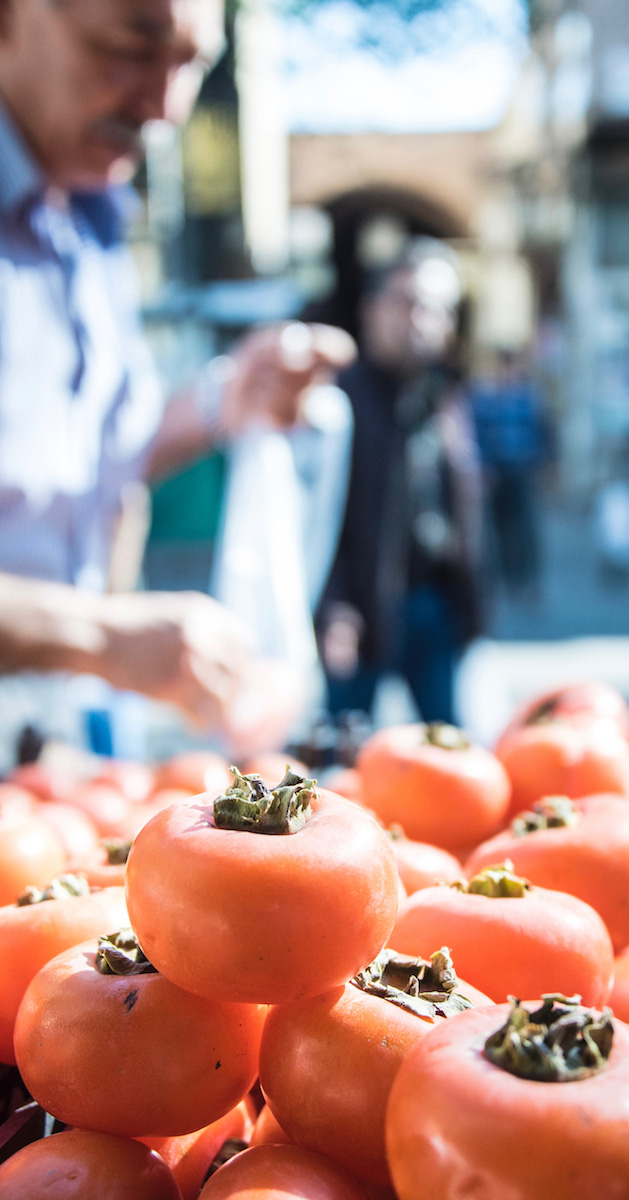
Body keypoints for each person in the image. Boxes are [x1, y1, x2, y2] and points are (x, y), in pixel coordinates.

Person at [0, 0, 355, 747]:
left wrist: (227, 399)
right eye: (131, 46)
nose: (165, 107)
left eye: (191, 64)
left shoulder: (87, 222)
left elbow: (93, 461)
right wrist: (91, 637)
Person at [318, 247, 483, 726]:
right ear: (372, 309)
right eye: (408, 301)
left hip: (433, 606)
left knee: (445, 756)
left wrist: (471, 605)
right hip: (359, 609)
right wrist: (332, 609)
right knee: (344, 758)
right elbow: (315, 514)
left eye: (437, 308)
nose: (423, 319)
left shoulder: (446, 396)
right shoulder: (335, 400)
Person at [469, 348, 553, 598]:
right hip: (497, 469)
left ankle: (528, 579)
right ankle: (505, 579)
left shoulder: (530, 397)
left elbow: (545, 431)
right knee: (501, 527)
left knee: (525, 527)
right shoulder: (487, 396)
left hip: (523, 467)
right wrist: (482, 465)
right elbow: (480, 433)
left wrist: (545, 465)